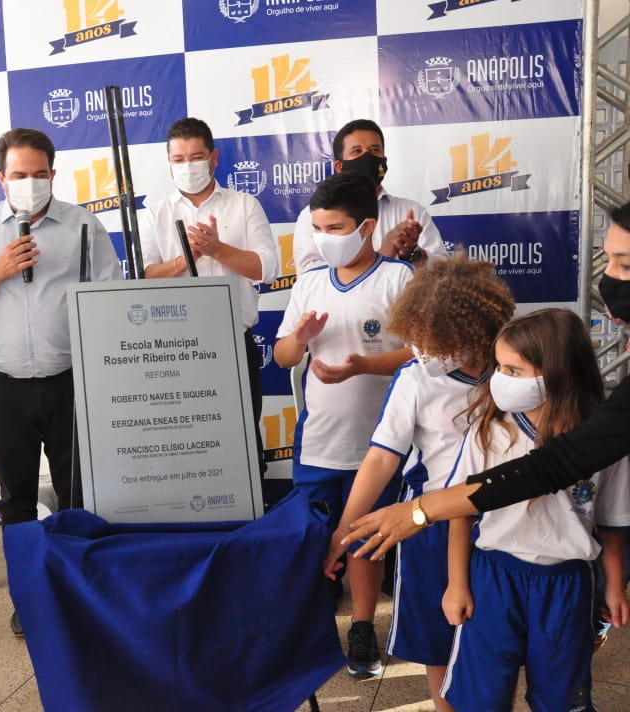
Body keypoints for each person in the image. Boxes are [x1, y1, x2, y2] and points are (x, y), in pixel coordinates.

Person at [343, 201, 630, 557]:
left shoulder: (534, 388)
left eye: (625, 265)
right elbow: (382, 458)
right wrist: (357, 525)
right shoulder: (419, 381)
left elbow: (557, 466)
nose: (610, 280)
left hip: (513, 540)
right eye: (609, 260)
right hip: (445, 526)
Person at [0, 128, 122, 635]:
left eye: (40, 174)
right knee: (16, 499)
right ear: (1, 178)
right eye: (19, 175)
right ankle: (31, 598)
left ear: (53, 175)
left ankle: (79, 593)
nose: (30, 183)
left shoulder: (84, 225)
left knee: (77, 494)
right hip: (6, 387)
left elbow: (110, 299)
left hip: (71, 382)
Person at [323, 255, 514, 709]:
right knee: (437, 640)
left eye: (436, 343)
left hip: (502, 523)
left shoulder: (515, 372)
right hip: (428, 525)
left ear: (474, 333)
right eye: (418, 342)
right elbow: (380, 459)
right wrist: (344, 533)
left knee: (494, 637)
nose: (424, 354)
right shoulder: (414, 378)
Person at [439, 309, 630, 711]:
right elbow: (461, 511)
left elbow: (612, 523)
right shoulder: (490, 429)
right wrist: (457, 584)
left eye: (514, 370)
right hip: (494, 576)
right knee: (482, 695)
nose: (500, 380)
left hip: (567, 584)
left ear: (559, 372)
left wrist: (613, 585)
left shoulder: (602, 440)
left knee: (562, 698)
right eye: (499, 367)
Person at [273, 171, 414, 679]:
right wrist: (302, 337)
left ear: (367, 226)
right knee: (312, 538)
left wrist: (362, 366)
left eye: (334, 227)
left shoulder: (399, 279)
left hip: (379, 445)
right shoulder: (310, 281)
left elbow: (419, 354)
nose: (323, 238)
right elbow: (285, 353)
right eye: (317, 227)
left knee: (362, 538)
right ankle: (308, 629)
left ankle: (360, 628)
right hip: (318, 441)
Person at [140, 117, 279, 480]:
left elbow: (266, 268)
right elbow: (145, 276)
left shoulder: (244, 205)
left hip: (233, 343)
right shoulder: (156, 213)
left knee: (243, 441)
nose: (188, 166)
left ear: (214, 157)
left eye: (196, 156)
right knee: (183, 444)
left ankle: (249, 523)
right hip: (174, 349)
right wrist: (187, 259)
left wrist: (218, 249)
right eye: (179, 159)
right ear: (169, 162)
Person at [293, 119, 450, 273]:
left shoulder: (411, 212)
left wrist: (413, 254)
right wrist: (382, 257)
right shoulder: (313, 216)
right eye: (357, 151)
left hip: (404, 299)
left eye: (375, 149)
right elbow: (309, 277)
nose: (367, 158)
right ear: (340, 166)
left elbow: (445, 270)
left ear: (384, 161)